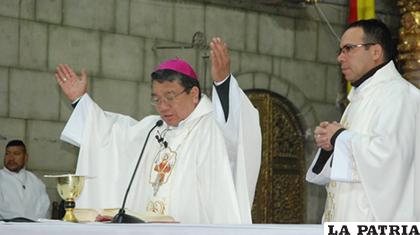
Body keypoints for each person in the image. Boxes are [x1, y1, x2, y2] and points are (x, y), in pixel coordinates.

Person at [55, 38, 261, 224]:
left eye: (170, 97)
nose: (163, 106)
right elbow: (108, 137)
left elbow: (235, 132)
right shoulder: (153, 129)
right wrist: (79, 100)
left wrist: (223, 83)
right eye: (156, 99)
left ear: (194, 94)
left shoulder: (211, 127)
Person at [306, 19, 420, 222]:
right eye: (340, 51)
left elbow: (391, 157)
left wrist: (340, 137)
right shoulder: (359, 99)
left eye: (349, 49)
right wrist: (331, 145)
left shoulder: (401, 95)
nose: (340, 58)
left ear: (375, 52)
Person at [0, 140, 50, 220]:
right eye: (7, 153)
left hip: (34, 229)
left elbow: (44, 208)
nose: (11, 158)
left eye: (16, 154)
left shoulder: (36, 181)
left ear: (25, 157)